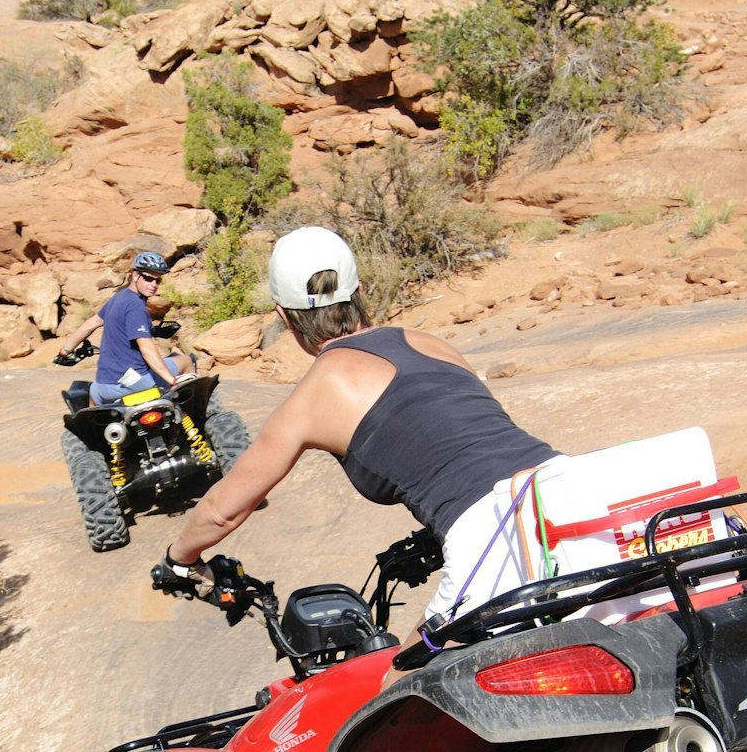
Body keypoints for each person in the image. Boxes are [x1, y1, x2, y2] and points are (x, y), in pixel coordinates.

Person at [156, 226, 574, 624]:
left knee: (405, 673)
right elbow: (474, 442)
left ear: (284, 316)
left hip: (498, 534)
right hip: (572, 486)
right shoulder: (429, 343)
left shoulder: (314, 395)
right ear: (359, 292)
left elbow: (221, 513)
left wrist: (178, 560)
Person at [58, 251, 183, 404]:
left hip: (103, 387)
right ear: (135, 275)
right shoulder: (136, 306)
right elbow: (146, 347)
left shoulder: (119, 297)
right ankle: (195, 416)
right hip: (134, 384)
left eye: (158, 280)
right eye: (148, 278)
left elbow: (90, 324)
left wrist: (65, 351)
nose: (153, 285)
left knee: (92, 404)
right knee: (186, 362)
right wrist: (171, 379)